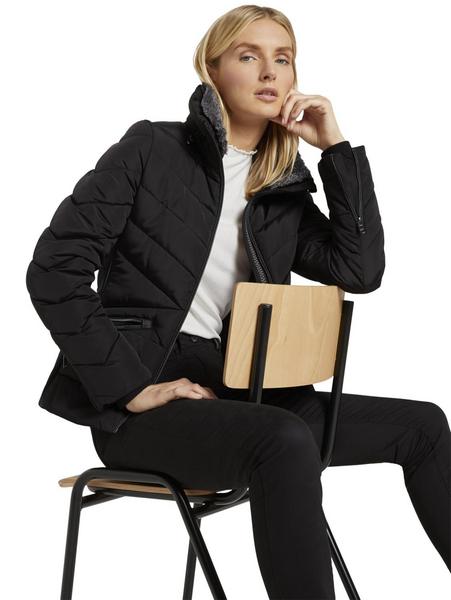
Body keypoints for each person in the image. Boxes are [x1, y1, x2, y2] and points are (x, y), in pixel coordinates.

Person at [25, 5, 450, 599]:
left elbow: (360, 271)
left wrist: (335, 150)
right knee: (283, 438)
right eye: (249, 56)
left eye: (283, 59)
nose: (269, 71)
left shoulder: (281, 186)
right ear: (213, 68)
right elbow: (54, 271)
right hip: (143, 411)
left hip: (244, 393)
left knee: (423, 426)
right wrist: (130, 388)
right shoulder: (151, 148)